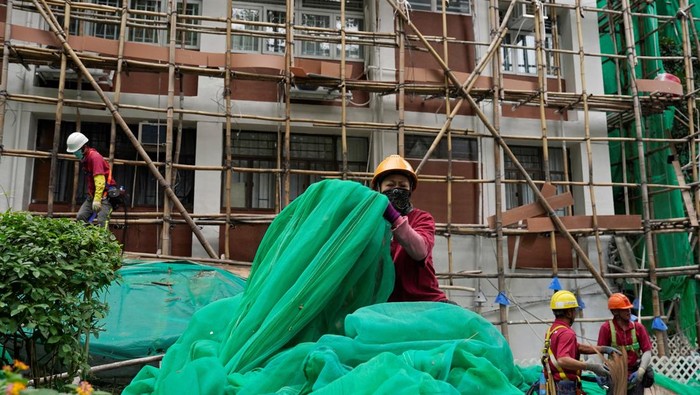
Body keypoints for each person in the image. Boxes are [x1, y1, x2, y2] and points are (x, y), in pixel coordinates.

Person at [371, 154, 450, 303]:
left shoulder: (422, 218)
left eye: (402, 186)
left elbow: (420, 251)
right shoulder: (371, 223)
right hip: (384, 305)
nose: (396, 190)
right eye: (390, 185)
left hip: (424, 301)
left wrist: (395, 219)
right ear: (378, 189)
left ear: (410, 190)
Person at [542, 290, 618, 395]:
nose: (575, 314)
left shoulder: (553, 330)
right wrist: (591, 367)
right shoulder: (567, 333)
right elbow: (562, 360)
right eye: (574, 311)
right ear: (569, 312)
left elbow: (576, 347)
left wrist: (602, 349)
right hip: (564, 387)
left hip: (555, 384)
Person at [597, 293, 654, 395]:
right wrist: (599, 372)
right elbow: (599, 353)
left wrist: (641, 371)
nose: (629, 311)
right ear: (615, 312)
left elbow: (647, 351)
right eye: (625, 309)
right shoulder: (606, 329)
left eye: (629, 308)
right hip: (615, 377)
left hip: (634, 377)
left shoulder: (638, 328)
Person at [65, 132, 116, 228]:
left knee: (102, 221)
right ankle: (87, 240)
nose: (74, 154)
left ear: (83, 148)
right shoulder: (86, 159)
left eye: (76, 151)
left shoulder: (94, 157)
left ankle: (104, 242)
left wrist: (97, 199)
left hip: (105, 195)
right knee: (81, 217)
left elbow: (100, 182)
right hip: (92, 195)